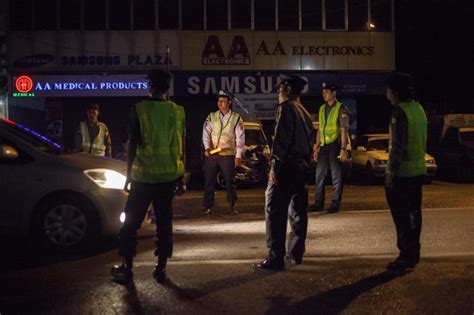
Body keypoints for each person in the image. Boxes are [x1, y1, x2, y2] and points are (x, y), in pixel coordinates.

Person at [111, 69, 186, 284]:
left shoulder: (139, 110)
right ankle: (160, 270)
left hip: (143, 178)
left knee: (130, 223)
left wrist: (128, 175)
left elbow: (132, 144)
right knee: (164, 224)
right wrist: (180, 177)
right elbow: (179, 147)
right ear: (167, 88)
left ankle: (127, 268)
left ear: (149, 86)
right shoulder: (177, 111)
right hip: (168, 178)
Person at [255, 75, 314, 271]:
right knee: (298, 211)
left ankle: (275, 258)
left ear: (287, 89)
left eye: (279, 88)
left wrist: (274, 166)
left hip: (287, 166)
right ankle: (295, 254)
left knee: (274, 210)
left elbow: (281, 140)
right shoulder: (304, 111)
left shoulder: (286, 108)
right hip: (302, 166)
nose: (277, 92)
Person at [385, 72, 427, 272]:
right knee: (414, 214)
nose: (387, 94)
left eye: (388, 90)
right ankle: (414, 253)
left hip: (403, 174)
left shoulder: (399, 112)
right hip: (418, 171)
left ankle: (405, 256)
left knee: (401, 217)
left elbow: (397, 146)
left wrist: (390, 172)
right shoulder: (419, 109)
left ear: (395, 92)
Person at [202, 90, 245, 215]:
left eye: (223, 101)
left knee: (230, 182)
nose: (220, 103)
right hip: (213, 155)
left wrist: (238, 156)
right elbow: (205, 132)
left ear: (229, 103)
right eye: (218, 101)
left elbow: (240, 138)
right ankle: (207, 206)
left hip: (227, 155)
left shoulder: (236, 118)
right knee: (209, 181)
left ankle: (232, 205)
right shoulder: (212, 116)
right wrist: (206, 147)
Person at [308, 83, 349, 214]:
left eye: (327, 91)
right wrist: (316, 146)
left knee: (336, 176)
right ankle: (318, 204)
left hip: (335, 145)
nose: (324, 94)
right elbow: (320, 129)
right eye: (323, 92)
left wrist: (343, 148)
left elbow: (343, 130)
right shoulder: (321, 108)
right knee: (319, 175)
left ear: (334, 93)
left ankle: (335, 204)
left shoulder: (341, 108)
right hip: (324, 146)